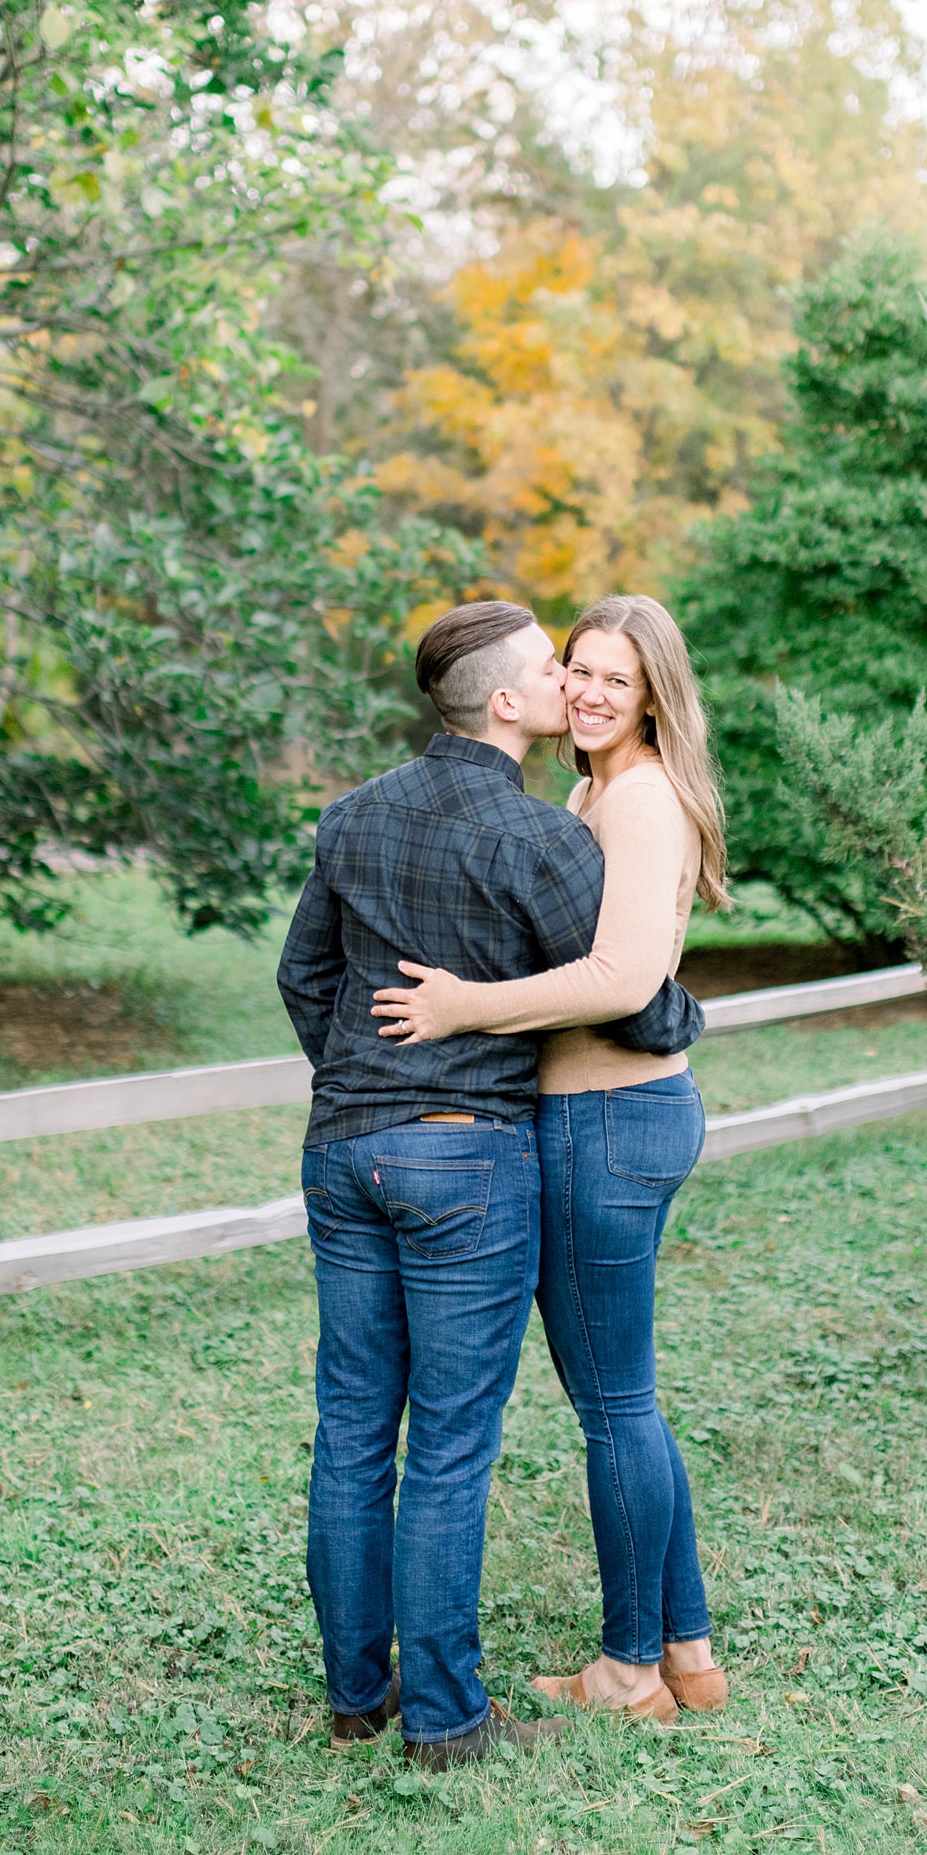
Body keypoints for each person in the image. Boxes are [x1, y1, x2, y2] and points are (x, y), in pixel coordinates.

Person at [276, 600, 700, 1770]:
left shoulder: (351, 817)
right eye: (553, 669)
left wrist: (362, 1081)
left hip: (343, 1147)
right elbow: (637, 995)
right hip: (468, 1154)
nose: (571, 681)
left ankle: (358, 1695)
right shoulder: (541, 839)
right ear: (507, 703)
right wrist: (681, 1011)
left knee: (354, 1427)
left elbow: (301, 974)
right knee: (453, 1442)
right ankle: (447, 1718)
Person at [372, 594, 731, 1725]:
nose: (586, 691)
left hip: (605, 1123)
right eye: (577, 667)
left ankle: (628, 1671)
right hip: (611, 1119)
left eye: (615, 680)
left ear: (654, 696)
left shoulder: (636, 802)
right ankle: (685, 1647)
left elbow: (624, 981)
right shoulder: (595, 788)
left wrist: (466, 1007)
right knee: (625, 1402)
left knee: (613, 1406)